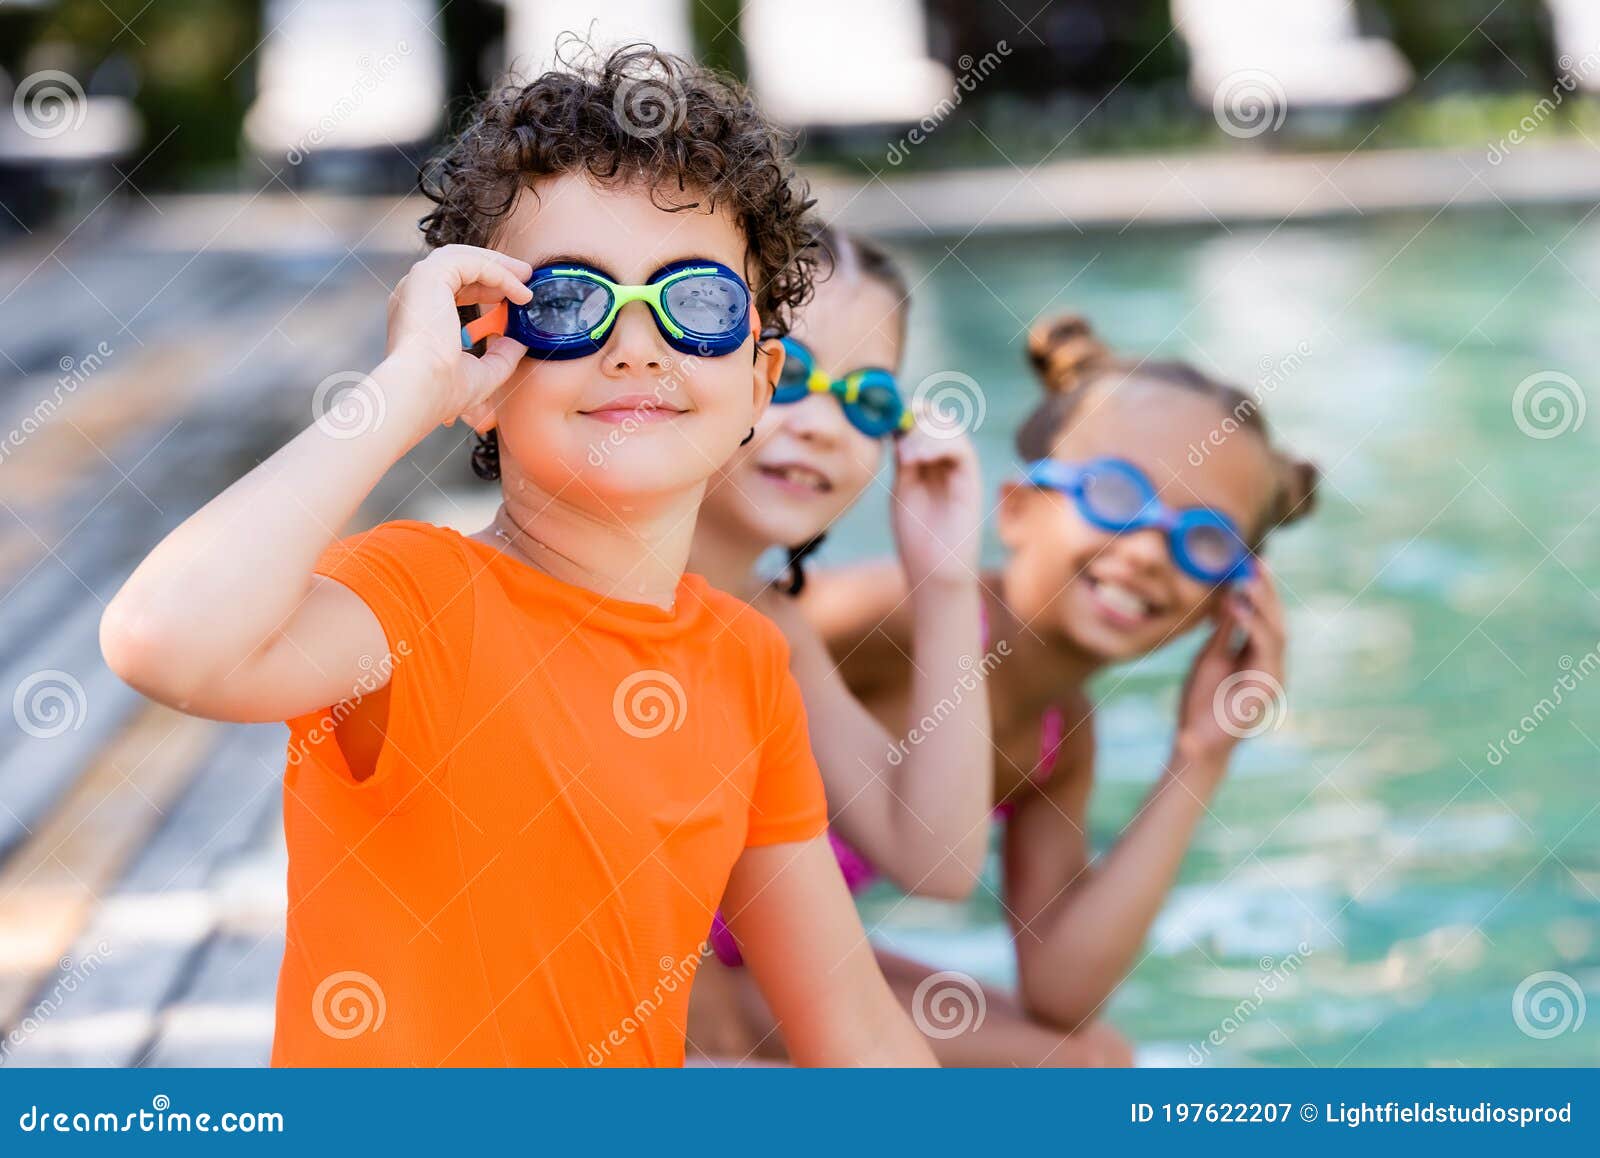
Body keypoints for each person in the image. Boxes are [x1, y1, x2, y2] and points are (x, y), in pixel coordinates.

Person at [99, 44, 934, 1069]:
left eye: (698, 304)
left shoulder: (746, 665)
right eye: (572, 302)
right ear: (483, 373)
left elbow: (854, 1032)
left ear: (761, 383)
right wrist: (404, 388)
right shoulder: (413, 600)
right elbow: (163, 640)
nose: (638, 345)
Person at [802, 313, 1318, 1065]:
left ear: (1230, 600)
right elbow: (705, 622)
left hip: (759, 957)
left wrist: (1202, 752)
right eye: (1115, 495)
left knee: (1094, 1060)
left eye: (1204, 539)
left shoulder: (1057, 737)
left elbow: (1060, 989)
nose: (1146, 551)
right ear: (1014, 509)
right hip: (651, 947)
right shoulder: (902, 614)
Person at [682, 228, 992, 1059]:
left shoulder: (764, 623)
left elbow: (938, 861)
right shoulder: (578, 584)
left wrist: (947, 580)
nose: (824, 426)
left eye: (868, 401)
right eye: (788, 374)